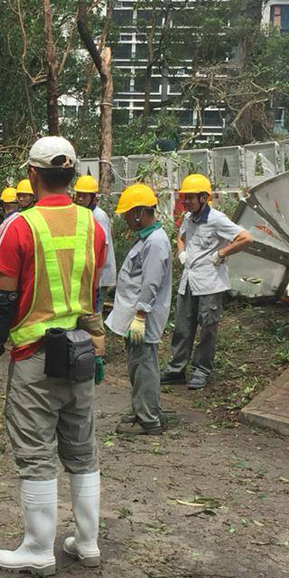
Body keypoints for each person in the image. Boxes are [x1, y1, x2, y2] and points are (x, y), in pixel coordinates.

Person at [0, 135, 108, 577]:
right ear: (72, 176)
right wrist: (97, 342)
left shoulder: (20, 225)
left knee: (36, 451)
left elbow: (4, 299)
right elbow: (93, 294)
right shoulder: (93, 226)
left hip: (35, 355)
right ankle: (87, 543)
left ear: (32, 175)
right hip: (79, 352)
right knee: (81, 446)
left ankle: (38, 548)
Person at [162, 174, 252, 390]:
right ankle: (176, 369)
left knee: (207, 330)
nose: (186, 202)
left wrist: (222, 253)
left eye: (191, 198)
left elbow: (246, 237)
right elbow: (181, 237)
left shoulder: (217, 219)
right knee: (183, 328)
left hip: (210, 283)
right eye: (185, 198)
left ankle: (201, 370)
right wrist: (181, 252)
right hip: (189, 281)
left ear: (204, 198)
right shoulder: (188, 217)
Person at [106, 184, 172, 435]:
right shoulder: (147, 239)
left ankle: (148, 420)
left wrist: (141, 316)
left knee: (144, 366)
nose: (125, 220)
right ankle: (142, 409)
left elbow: (151, 283)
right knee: (138, 365)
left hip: (141, 318)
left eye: (127, 215)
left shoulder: (155, 242)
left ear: (139, 213)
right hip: (135, 317)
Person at [72, 174, 117, 313]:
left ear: (93, 197)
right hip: (89, 273)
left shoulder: (98, 216)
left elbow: (104, 246)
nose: (80, 198)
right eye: (79, 195)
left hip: (99, 274)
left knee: (94, 313)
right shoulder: (82, 213)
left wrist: (97, 276)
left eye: (84, 196)